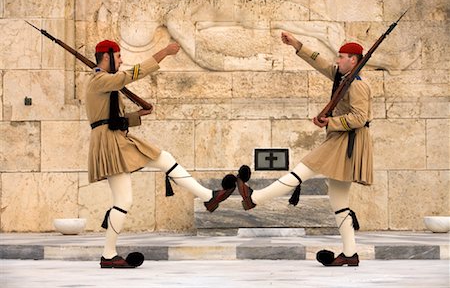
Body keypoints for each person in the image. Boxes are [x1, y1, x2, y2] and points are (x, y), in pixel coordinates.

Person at [85, 40, 235, 268]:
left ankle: (208, 197)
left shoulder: (104, 83)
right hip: (109, 143)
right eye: (118, 56)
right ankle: (108, 255)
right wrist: (163, 53)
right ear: (106, 57)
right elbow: (128, 77)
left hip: (116, 138)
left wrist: (138, 115)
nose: (121, 60)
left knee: (162, 160)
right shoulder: (100, 80)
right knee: (124, 199)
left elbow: (114, 118)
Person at [234, 32, 373, 267]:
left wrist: (330, 122)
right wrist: (297, 45)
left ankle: (255, 198)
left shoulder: (358, 85)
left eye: (342, 57)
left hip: (347, 141)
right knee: (339, 200)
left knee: (303, 169)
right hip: (341, 138)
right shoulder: (342, 77)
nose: (337, 61)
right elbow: (320, 62)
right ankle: (350, 254)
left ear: (354, 60)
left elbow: (360, 117)